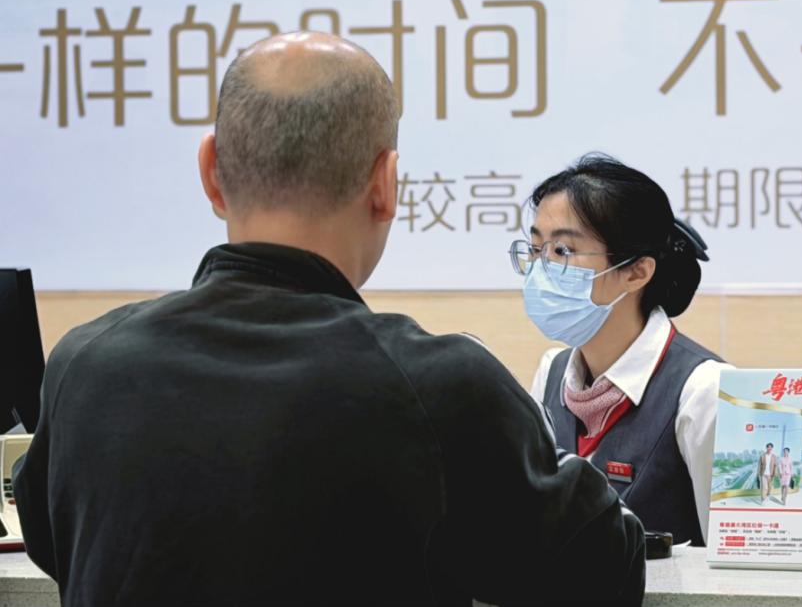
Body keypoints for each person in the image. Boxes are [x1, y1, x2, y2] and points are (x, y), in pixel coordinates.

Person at [14, 32, 645, 607]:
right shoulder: (439, 387)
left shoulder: (84, 364)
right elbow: (598, 568)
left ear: (210, 172)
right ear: (386, 184)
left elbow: (49, 539)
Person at [520, 154, 729, 546]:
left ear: (637, 271)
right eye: (535, 249)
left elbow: (730, 559)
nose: (540, 269)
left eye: (562, 251)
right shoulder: (551, 373)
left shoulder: (704, 389)